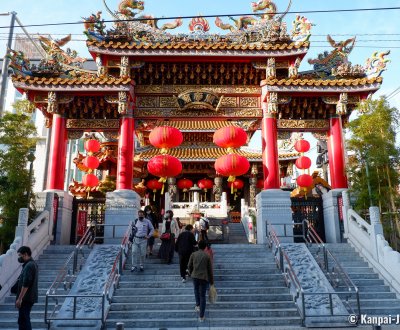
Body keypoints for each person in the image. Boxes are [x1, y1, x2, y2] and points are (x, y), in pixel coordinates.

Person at [188, 240, 214, 322]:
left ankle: (197, 305)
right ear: (205, 247)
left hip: (195, 276)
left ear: (198, 246)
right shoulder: (207, 256)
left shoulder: (193, 254)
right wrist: (212, 281)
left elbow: (189, 265)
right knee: (202, 296)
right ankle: (201, 316)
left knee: (196, 290)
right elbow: (210, 270)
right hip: (204, 277)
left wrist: (191, 272)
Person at [15, 246, 38, 330]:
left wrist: (20, 298)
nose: (19, 257)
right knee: (22, 320)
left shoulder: (29, 266)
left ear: (25, 254)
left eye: (20, 255)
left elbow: (26, 283)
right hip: (28, 297)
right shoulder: (32, 264)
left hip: (26, 298)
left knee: (24, 320)